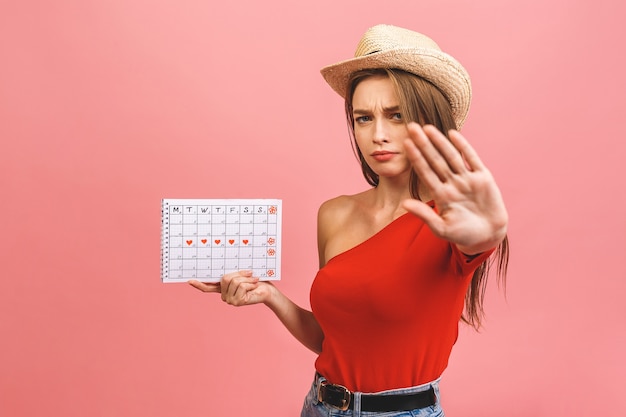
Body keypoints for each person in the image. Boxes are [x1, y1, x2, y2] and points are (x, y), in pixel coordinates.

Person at [189, 24, 509, 416]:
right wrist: (270, 296)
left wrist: (490, 232)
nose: (378, 135)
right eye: (363, 118)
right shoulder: (334, 214)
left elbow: (482, 237)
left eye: (396, 116)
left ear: (429, 121)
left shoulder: (455, 224)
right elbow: (333, 338)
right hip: (320, 405)